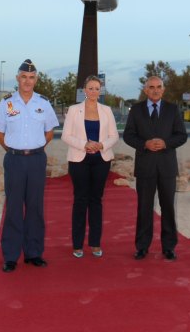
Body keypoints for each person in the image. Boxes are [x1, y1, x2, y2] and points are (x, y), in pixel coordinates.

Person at [0, 58, 59, 272]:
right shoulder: (7, 103)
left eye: (31, 78)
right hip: (15, 160)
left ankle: (33, 253)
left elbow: (49, 132)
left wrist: (34, 148)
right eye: (24, 77)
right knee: (14, 207)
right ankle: (10, 256)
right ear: (17, 78)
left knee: (36, 207)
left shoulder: (43, 103)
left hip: (37, 160)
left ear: (36, 80)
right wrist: (13, 150)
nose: (27, 81)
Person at [123, 76, 187, 261]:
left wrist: (166, 143)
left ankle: (169, 247)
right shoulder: (136, 110)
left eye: (159, 87)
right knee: (144, 208)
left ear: (163, 90)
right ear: (145, 90)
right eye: (151, 87)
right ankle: (142, 247)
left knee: (168, 207)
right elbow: (128, 135)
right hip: (145, 167)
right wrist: (145, 144)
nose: (155, 90)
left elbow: (182, 136)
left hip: (167, 167)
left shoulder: (172, 110)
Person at [61, 75, 119, 258]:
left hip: (101, 160)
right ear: (84, 90)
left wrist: (101, 145)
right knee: (80, 200)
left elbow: (114, 136)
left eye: (97, 88)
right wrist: (85, 144)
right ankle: (77, 244)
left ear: (100, 91)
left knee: (96, 201)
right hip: (79, 160)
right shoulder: (73, 110)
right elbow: (66, 135)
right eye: (90, 88)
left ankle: (95, 243)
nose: (94, 91)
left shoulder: (107, 110)